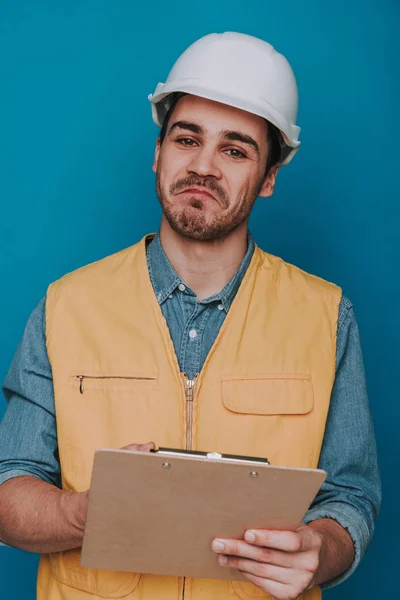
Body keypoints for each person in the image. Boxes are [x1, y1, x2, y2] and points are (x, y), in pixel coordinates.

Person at [0, 32, 380, 600]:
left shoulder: (326, 317)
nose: (202, 166)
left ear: (269, 177)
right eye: (186, 139)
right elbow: (9, 491)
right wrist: (83, 513)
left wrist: (320, 551)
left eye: (235, 149)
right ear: (158, 152)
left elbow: (349, 496)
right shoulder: (66, 306)